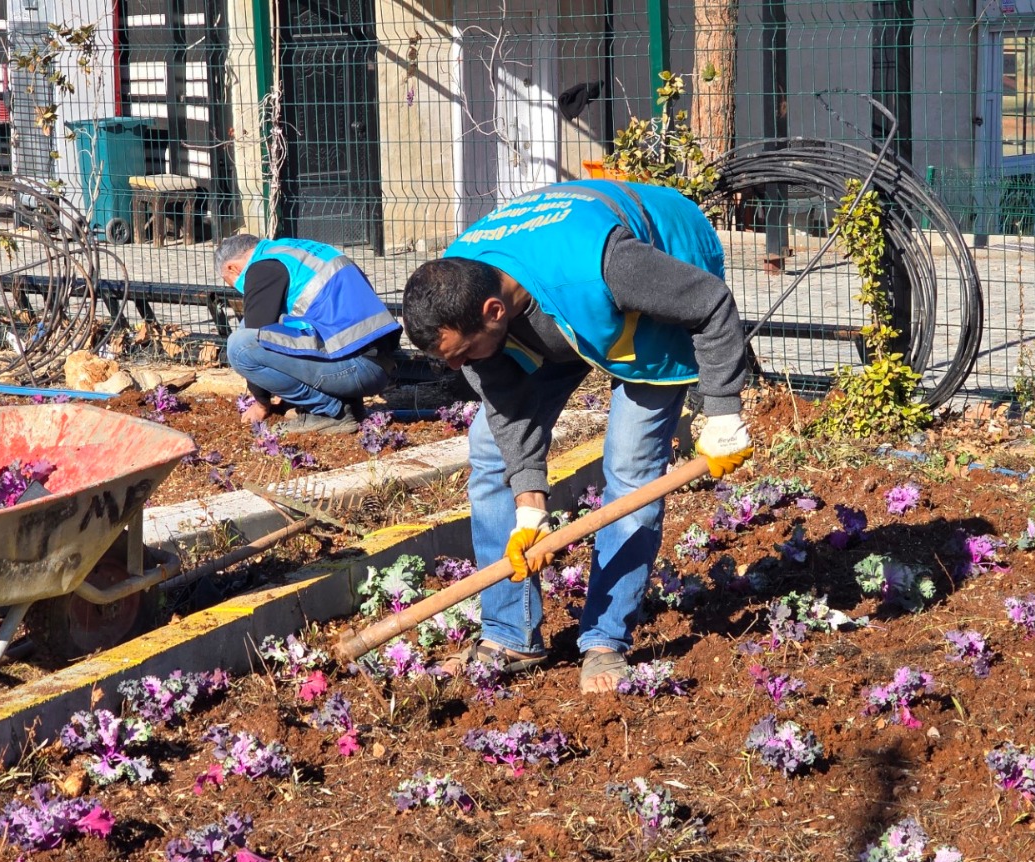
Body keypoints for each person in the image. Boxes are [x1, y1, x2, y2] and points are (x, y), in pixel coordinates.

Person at [401, 179, 753, 693]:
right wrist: (529, 507)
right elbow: (508, 413)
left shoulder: (610, 266)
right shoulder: (462, 284)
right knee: (488, 450)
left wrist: (722, 411)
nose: (455, 368)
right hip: (558, 314)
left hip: (654, 267)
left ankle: (606, 641)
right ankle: (509, 634)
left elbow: (710, 302)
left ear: (493, 313)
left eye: (460, 354)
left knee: (631, 466)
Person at [216, 233, 401, 434]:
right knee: (263, 325)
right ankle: (346, 404)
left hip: (357, 369)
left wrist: (261, 403)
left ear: (232, 268)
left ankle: (330, 412)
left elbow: (256, 336)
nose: (238, 289)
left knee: (240, 345)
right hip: (376, 362)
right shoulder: (293, 251)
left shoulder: (263, 267)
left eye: (230, 282)